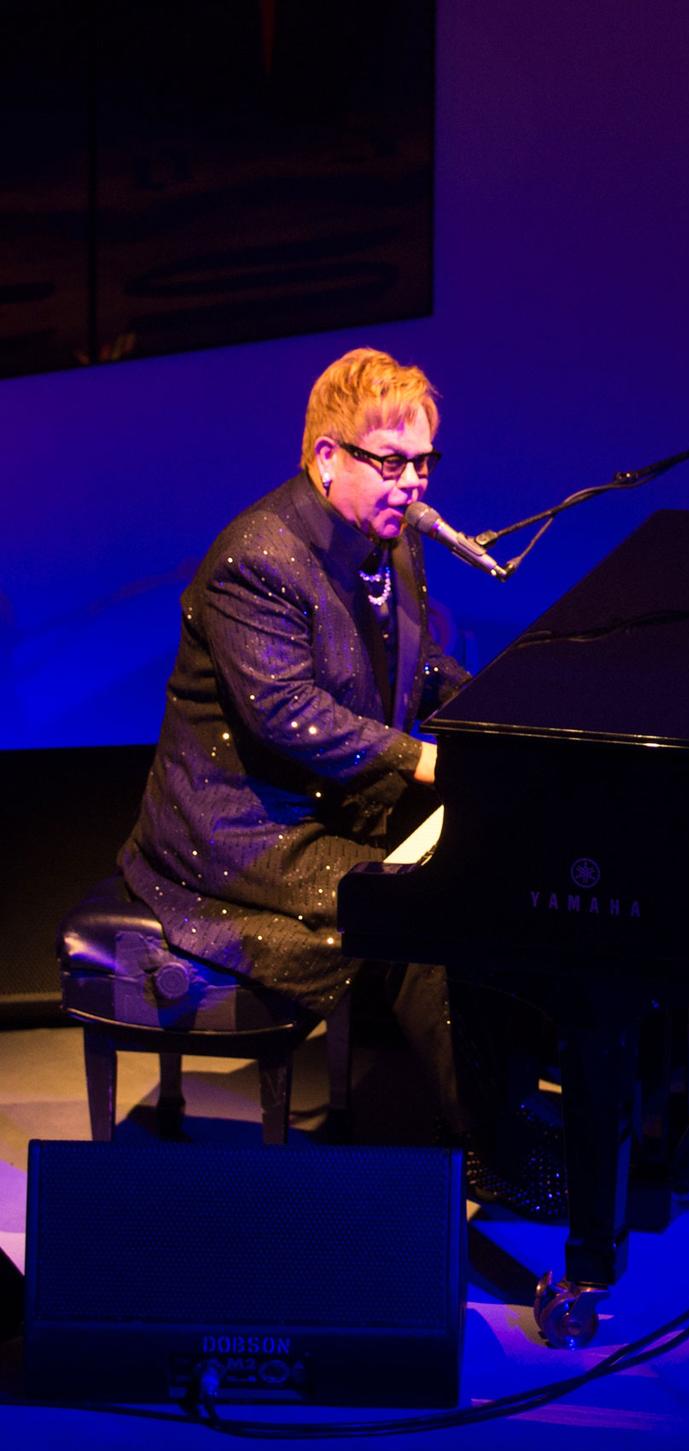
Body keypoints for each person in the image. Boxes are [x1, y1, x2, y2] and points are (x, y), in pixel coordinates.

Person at [119, 346, 472, 1130]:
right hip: (245, 827)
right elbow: (287, 712)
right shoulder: (258, 557)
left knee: (491, 863)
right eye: (391, 462)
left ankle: (501, 1098)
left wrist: (497, 715)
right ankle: (479, 1139)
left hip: (331, 802)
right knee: (421, 908)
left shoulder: (394, 537)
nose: (412, 483)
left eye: (423, 462)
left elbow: (422, 666)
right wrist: (425, 759)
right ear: (326, 457)